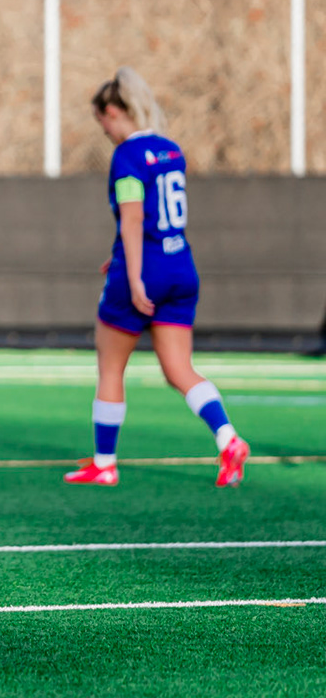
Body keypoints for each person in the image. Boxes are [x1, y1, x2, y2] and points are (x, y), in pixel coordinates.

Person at [65, 67, 250, 487]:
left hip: (145, 272)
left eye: (103, 123)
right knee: (180, 369)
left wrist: (132, 277)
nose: (106, 133)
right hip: (180, 266)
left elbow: (132, 220)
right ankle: (228, 439)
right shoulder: (171, 150)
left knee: (111, 367)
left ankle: (105, 463)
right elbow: (160, 219)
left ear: (113, 112)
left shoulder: (127, 156)